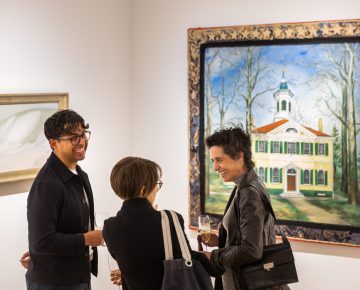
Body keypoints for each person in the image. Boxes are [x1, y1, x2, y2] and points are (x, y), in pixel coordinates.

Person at [102, 157, 224, 290]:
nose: (156, 189)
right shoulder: (171, 219)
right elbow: (188, 259)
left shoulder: (109, 227)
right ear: (143, 189)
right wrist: (219, 263)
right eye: (156, 184)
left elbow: (137, 265)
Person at [201, 126, 290, 290]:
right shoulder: (245, 185)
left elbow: (251, 250)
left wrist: (213, 257)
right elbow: (247, 238)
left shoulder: (249, 191)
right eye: (213, 161)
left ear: (240, 156)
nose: (215, 167)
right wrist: (220, 241)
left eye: (219, 160)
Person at [24, 109, 103, 290]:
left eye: (83, 134)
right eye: (73, 137)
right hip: (54, 283)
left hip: (76, 274)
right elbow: (42, 241)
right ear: (53, 144)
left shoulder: (80, 174)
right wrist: (86, 239)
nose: (82, 141)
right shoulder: (46, 185)